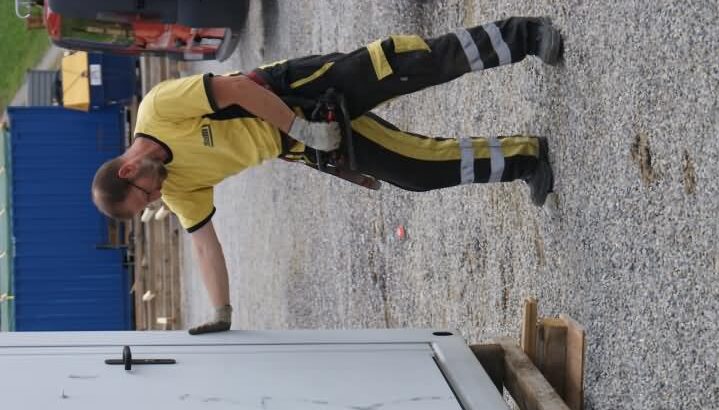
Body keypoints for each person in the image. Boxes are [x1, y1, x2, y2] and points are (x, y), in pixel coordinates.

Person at [92, 16, 563, 334]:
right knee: (415, 171)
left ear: (130, 168)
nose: (155, 198)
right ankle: (525, 159)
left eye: (144, 194)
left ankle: (525, 35)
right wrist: (221, 312)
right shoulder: (176, 187)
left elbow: (236, 89)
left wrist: (300, 126)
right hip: (303, 141)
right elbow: (202, 243)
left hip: (300, 92)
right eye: (148, 203)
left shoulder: (159, 110)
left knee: (415, 65)